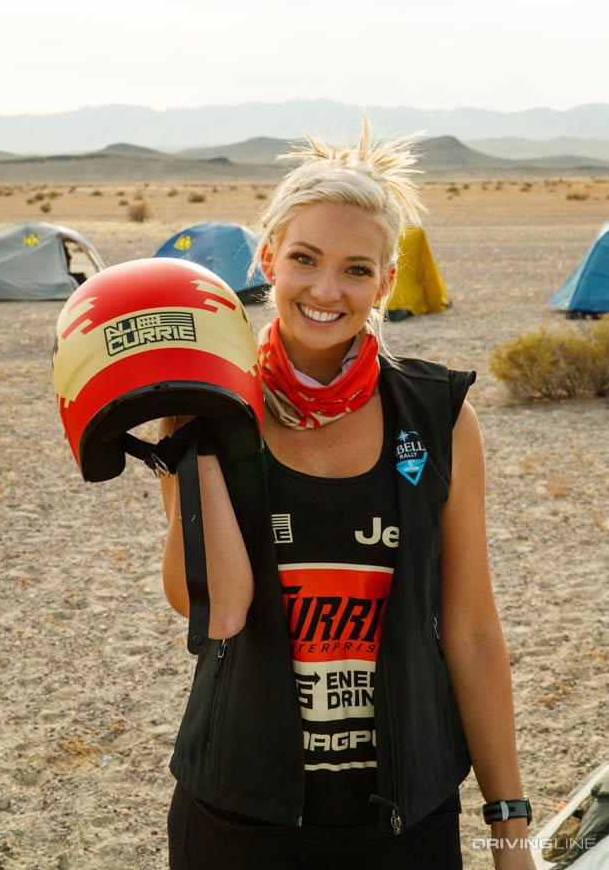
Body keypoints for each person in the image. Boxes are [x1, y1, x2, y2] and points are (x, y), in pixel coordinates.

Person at [159, 117, 535, 870]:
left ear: (386, 281)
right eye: (304, 258)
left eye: (356, 269)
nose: (326, 290)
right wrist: (203, 422)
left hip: (405, 817)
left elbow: (468, 630)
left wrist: (510, 832)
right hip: (239, 812)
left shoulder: (437, 419)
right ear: (267, 259)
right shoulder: (200, 411)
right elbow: (215, 608)